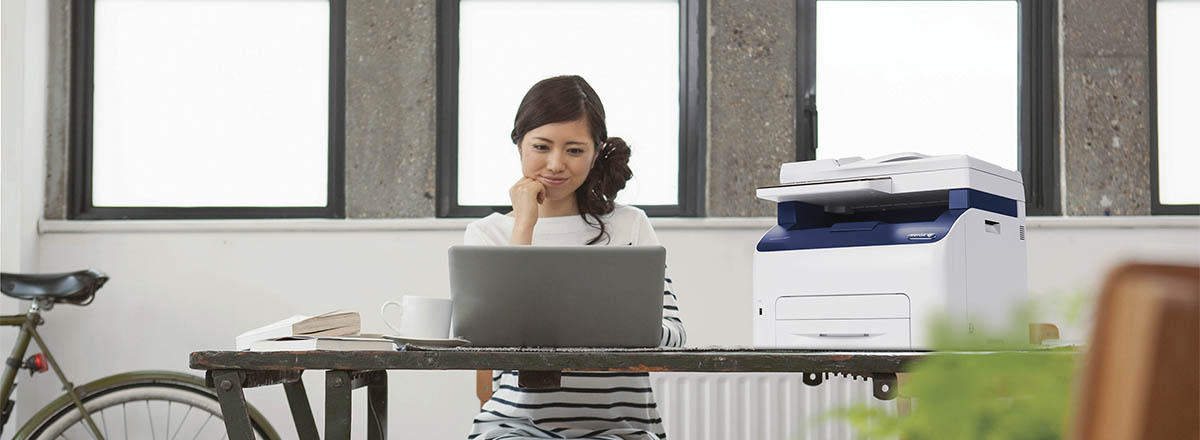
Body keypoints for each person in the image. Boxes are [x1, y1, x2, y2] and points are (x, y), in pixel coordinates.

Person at [463, 75, 686, 440]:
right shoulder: (487, 234)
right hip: (515, 427)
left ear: (596, 152)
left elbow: (675, 337)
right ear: (518, 144)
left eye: (574, 150)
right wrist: (524, 227)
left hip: (620, 429)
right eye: (541, 146)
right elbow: (488, 344)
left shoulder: (630, 225)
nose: (555, 165)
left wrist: (616, 325)